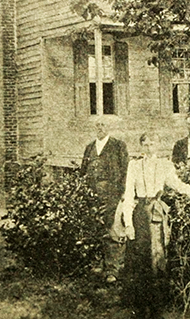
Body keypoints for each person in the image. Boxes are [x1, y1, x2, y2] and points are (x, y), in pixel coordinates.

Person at [122, 132, 190, 319]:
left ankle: (156, 310)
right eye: (145, 144)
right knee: (141, 260)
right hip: (140, 215)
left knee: (158, 257)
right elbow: (128, 195)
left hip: (158, 214)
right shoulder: (134, 165)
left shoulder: (165, 165)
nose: (149, 147)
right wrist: (128, 224)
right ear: (141, 146)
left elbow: (178, 185)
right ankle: (140, 309)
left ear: (158, 145)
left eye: (152, 143)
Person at [80, 119, 129, 284]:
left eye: (104, 125)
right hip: (93, 196)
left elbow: (125, 171)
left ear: (109, 127)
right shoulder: (89, 148)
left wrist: (123, 193)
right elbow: (83, 172)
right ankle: (98, 265)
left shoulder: (118, 146)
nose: (100, 128)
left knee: (113, 231)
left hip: (112, 196)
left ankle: (112, 270)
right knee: (95, 229)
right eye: (98, 125)